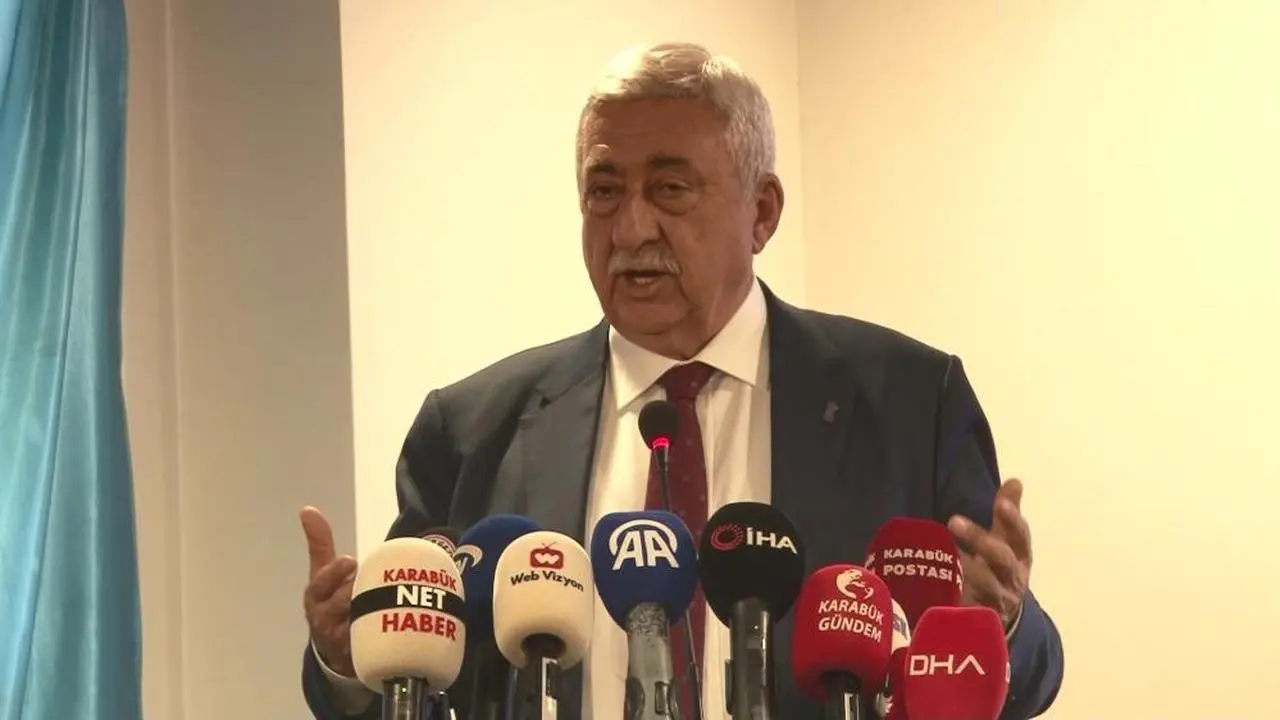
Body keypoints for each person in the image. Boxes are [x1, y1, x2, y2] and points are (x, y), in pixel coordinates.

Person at [299, 41, 1064, 719]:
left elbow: (1024, 682)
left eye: (670, 189)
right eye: (604, 191)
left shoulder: (910, 404)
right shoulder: (470, 431)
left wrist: (999, 624)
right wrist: (346, 661)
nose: (631, 228)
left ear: (762, 212)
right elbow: (404, 680)